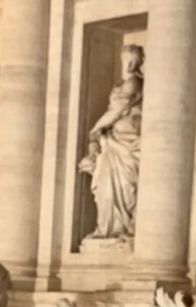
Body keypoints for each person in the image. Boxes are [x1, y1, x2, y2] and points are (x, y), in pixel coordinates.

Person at [79, 43, 145, 239]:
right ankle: (107, 227)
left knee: (125, 187)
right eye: (126, 58)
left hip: (129, 142)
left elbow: (117, 110)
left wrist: (95, 128)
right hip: (114, 140)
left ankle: (121, 227)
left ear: (138, 61)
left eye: (133, 59)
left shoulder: (135, 83)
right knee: (106, 182)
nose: (129, 63)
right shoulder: (119, 84)